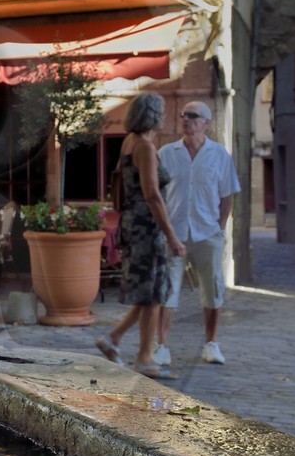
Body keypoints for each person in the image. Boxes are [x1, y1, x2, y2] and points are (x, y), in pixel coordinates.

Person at [95, 92, 186, 379]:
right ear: (153, 115)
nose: (166, 116)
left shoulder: (128, 142)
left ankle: (116, 340)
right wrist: (172, 236)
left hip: (133, 223)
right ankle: (143, 358)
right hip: (146, 226)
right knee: (153, 292)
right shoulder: (144, 146)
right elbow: (152, 194)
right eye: (162, 111)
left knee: (150, 293)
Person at [156, 100, 242, 367]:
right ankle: (162, 346)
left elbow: (227, 195)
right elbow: (155, 193)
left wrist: (219, 226)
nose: (186, 120)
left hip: (207, 232)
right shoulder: (166, 153)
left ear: (206, 122)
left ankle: (211, 343)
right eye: (183, 115)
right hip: (174, 232)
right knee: (168, 288)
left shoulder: (219, 155)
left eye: (193, 116)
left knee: (212, 288)